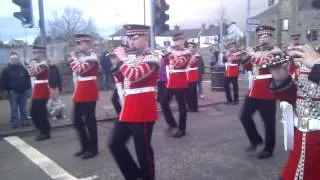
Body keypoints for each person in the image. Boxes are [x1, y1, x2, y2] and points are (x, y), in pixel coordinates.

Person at [108, 24, 160, 180]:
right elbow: (123, 78)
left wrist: (123, 60)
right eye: (129, 38)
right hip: (128, 108)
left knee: (143, 151)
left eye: (134, 38)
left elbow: (134, 75)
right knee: (115, 144)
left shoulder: (152, 58)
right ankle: (133, 175)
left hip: (143, 109)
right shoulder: (134, 59)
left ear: (145, 38)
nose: (130, 41)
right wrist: (116, 64)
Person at [269, 44, 320, 180]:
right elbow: (299, 98)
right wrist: (282, 79)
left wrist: (317, 66)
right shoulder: (312, 54)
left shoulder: (314, 59)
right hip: (300, 149)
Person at [239, 25, 281, 159]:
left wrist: (252, 54)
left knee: (268, 122)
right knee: (244, 116)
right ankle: (256, 140)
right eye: (260, 37)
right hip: (254, 90)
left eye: (265, 36)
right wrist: (245, 57)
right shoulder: (257, 52)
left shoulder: (276, 52)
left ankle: (269, 148)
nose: (262, 39)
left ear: (271, 38)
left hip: (268, 91)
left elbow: (266, 64)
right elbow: (249, 67)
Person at [69, 34, 99, 159]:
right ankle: (85, 146)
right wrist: (76, 59)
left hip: (89, 91)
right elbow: (77, 69)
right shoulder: (83, 57)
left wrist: (74, 58)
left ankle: (93, 148)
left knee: (90, 121)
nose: (79, 46)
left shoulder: (92, 58)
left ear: (88, 44)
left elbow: (79, 70)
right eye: (78, 44)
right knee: (76, 119)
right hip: (81, 90)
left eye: (81, 44)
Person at [160, 31, 191, 138]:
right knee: (163, 102)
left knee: (181, 106)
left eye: (178, 40)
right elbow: (167, 63)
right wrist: (164, 56)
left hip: (180, 81)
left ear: (182, 40)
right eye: (175, 40)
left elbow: (179, 63)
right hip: (171, 80)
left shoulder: (187, 52)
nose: (176, 42)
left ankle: (182, 129)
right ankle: (172, 124)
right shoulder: (172, 51)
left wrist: (170, 54)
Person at [0, 51, 31, 128]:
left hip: (23, 91)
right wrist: (3, 91)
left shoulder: (22, 68)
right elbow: (3, 81)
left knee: (23, 107)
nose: (14, 60)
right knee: (14, 108)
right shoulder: (6, 70)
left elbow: (27, 78)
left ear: (18, 59)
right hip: (12, 92)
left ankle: (24, 120)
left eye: (16, 58)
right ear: (10, 60)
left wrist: (29, 88)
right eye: (13, 59)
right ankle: (14, 122)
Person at [27, 45, 51, 141]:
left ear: (41, 53)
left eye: (36, 52)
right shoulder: (39, 64)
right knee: (34, 112)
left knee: (40, 113)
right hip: (38, 90)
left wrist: (28, 64)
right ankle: (42, 130)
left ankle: (45, 132)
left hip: (42, 90)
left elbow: (32, 73)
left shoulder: (43, 65)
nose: (34, 55)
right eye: (34, 52)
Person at [223, 40, 240, 105]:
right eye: (230, 45)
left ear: (235, 46)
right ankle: (229, 100)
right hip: (228, 71)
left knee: (235, 86)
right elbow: (224, 60)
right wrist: (226, 55)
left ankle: (236, 100)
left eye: (233, 45)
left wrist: (230, 54)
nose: (231, 47)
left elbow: (237, 59)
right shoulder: (227, 52)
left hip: (234, 70)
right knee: (226, 86)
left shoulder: (238, 52)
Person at [186, 41, 200, 112]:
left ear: (194, 48)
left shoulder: (196, 55)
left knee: (193, 93)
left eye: (191, 47)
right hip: (187, 76)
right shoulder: (187, 55)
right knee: (188, 93)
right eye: (188, 47)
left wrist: (189, 54)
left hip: (193, 76)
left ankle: (194, 107)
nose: (190, 48)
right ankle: (189, 106)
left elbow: (190, 63)